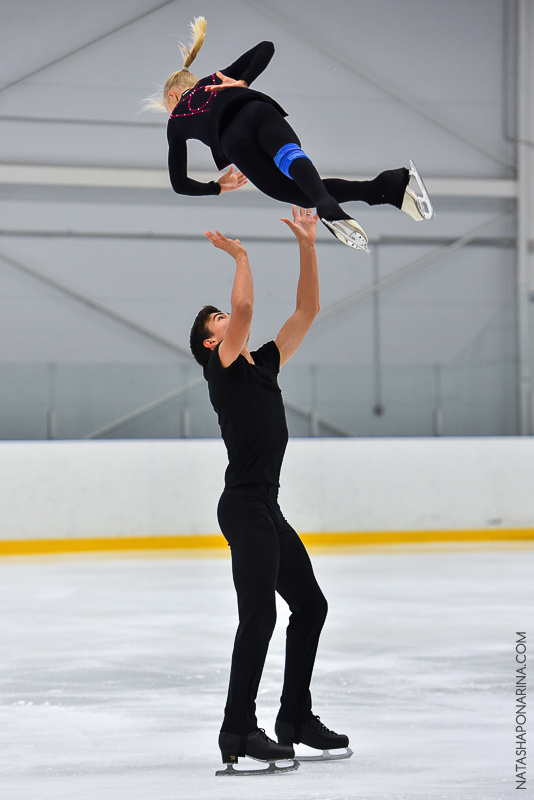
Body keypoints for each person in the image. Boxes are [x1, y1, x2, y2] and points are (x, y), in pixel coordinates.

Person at [189, 206, 352, 775]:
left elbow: (306, 310)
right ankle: (237, 728)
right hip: (243, 506)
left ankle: (294, 718)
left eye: (219, 316)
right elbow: (245, 307)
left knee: (310, 605)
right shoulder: (224, 368)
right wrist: (241, 256)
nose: (224, 319)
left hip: (266, 507)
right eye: (213, 320)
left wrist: (307, 243)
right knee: (258, 617)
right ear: (211, 344)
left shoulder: (264, 365)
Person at [147, 16, 434, 254]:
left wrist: (217, 187)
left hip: (234, 142)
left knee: (292, 192)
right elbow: (266, 47)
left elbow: (179, 184)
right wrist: (243, 81)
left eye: (167, 105)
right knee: (291, 158)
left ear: (173, 95)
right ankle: (388, 187)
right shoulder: (214, 79)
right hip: (257, 109)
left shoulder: (176, 121)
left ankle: (337, 201)